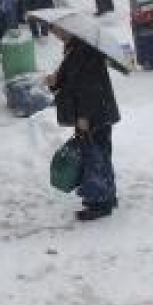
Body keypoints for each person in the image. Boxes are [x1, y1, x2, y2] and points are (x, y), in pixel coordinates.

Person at [47, 27, 121, 221]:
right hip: (94, 113)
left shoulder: (85, 51)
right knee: (100, 154)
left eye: (57, 30)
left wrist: (84, 116)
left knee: (94, 157)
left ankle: (100, 203)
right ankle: (107, 196)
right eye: (53, 30)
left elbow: (90, 87)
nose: (55, 34)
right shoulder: (75, 49)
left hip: (94, 115)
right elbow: (71, 82)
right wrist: (54, 82)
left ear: (69, 29)